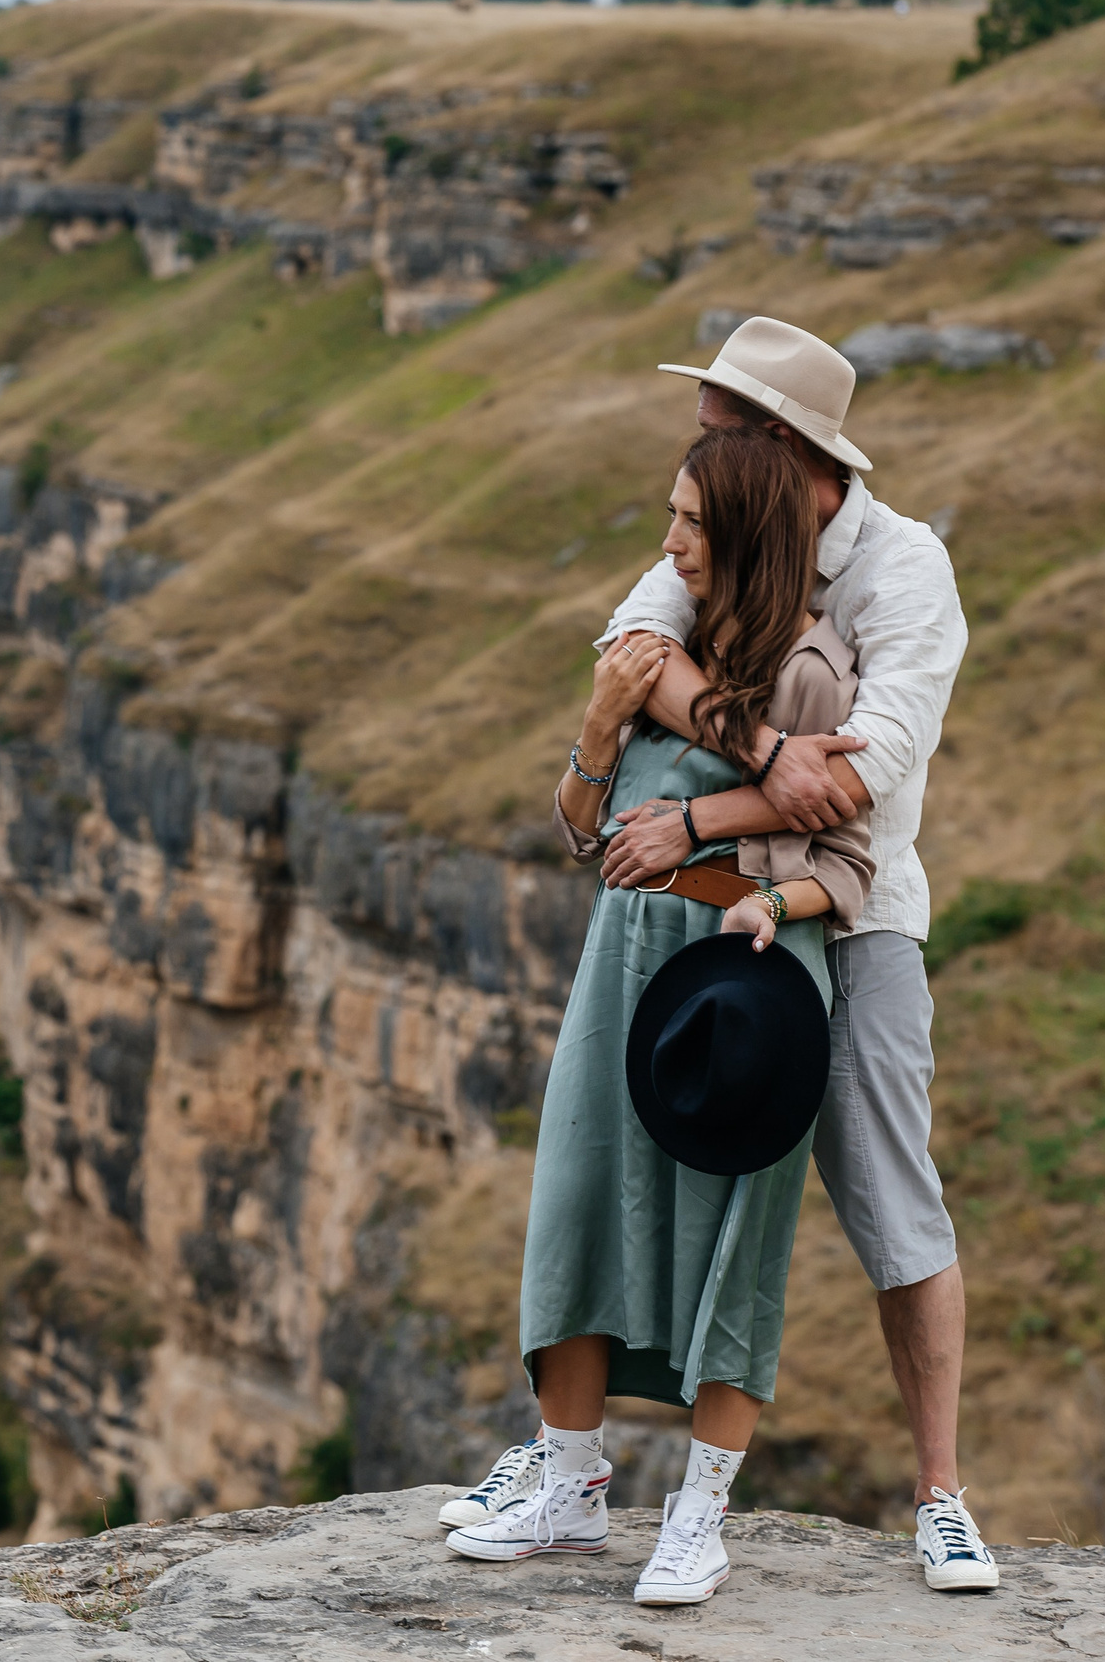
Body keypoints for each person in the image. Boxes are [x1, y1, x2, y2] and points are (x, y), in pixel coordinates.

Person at [435, 318, 993, 1594]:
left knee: (886, 1191)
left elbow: (871, 769)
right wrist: (755, 752)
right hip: (694, 918)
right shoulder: (713, 538)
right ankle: (566, 1460)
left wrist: (700, 804)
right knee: (602, 1171)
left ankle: (941, 1494)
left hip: (849, 915)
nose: (696, 456)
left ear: (782, 452)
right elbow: (630, 654)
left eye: (718, 433)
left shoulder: (904, 570)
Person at [444, 427, 871, 1608]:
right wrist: (595, 726)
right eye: (670, 516)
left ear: (743, 533)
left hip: (747, 966)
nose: (669, 541)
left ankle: (698, 1516)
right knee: (576, 1198)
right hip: (627, 950)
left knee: (736, 1236)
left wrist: (759, 897)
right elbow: (583, 833)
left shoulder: (810, 672)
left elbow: (850, 858)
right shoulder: (653, 651)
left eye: (690, 521)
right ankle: (571, 1486)